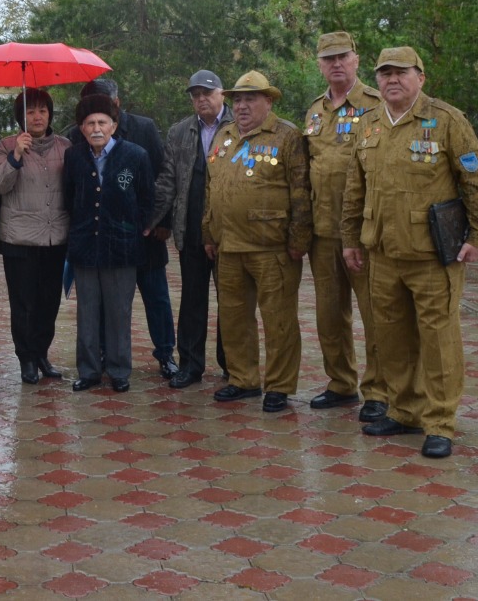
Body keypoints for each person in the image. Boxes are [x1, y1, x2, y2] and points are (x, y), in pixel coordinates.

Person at [342, 46, 478, 459]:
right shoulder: (369, 124)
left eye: (401, 72)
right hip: (382, 252)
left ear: (420, 77)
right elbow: (354, 189)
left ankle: (440, 422)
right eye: (384, 73)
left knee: (438, 339)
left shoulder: (447, 121)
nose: (392, 79)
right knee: (390, 337)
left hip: (432, 254)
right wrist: (349, 239)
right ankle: (404, 410)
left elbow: (475, 180)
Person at [202, 70, 311, 414]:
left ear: (269, 101)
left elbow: (301, 191)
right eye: (238, 99)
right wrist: (209, 231)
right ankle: (243, 379)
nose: (243, 105)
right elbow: (211, 189)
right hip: (229, 246)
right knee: (233, 318)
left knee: (278, 320)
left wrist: (299, 239)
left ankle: (279, 386)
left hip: (273, 248)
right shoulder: (225, 135)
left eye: (251, 99)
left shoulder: (287, 135)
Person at [301, 32, 387, 420]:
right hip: (323, 231)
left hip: (363, 232)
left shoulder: (377, 104)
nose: (336, 64)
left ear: (357, 59)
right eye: (328, 58)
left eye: (343, 57)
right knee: (329, 314)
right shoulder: (315, 110)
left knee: (375, 314)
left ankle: (380, 391)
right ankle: (340, 383)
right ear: (319, 65)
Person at [68, 78, 175, 378]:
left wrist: (159, 222)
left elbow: (160, 178)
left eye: (103, 111)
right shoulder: (77, 140)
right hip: (98, 240)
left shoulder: (144, 129)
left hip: (145, 233)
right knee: (101, 304)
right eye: (89, 115)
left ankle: (166, 353)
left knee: (156, 297)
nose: (96, 124)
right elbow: (71, 194)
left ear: (116, 104)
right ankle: (100, 357)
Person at [62, 92, 154, 393]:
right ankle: (88, 371)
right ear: (82, 128)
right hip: (85, 246)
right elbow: (68, 197)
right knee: (87, 311)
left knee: (119, 312)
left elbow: (146, 200)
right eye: (90, 123)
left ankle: (118, 370)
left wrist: (132, 227)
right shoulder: (74, 156)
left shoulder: (136, 156)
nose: (96, 128)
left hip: (122, 247)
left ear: (114, 126)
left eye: (103, 122)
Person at [149, 70, 233, 389]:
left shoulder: (237, 127)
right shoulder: (179, 131)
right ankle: (190, 365)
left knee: (232, 299)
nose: (201, 99)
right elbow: (168, 180)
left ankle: (232, 364)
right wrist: (153, 220)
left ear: (222, 94)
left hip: (227, 230)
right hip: (191, 225)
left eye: (207, 93)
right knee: (192, 300)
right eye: (195, 95)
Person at [0, 88, 70, 384]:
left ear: (50, 114)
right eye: (30, 111)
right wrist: (16, 156)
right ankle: (25, 358)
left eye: (42, 110)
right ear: (21, 117)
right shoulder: (5, 146)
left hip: (55, 238)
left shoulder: (65, 146)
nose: (37, 116)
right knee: (24, 304)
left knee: (49, 303)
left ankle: (42, 354)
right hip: (19, 240)